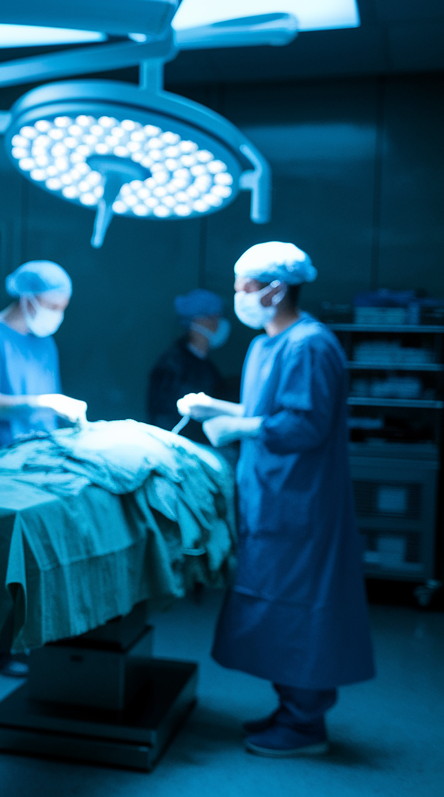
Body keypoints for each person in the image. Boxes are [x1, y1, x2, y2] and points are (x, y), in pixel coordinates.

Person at [178, 241, 375, 757]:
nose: (236, 296)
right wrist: (214, 407)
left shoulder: (310, 345)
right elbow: (266, 406)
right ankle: (291, 707)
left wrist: (236, 426)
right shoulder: (265, 343)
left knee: (299, 607)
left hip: (301, 504)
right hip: (267, 497)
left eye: (243, 287)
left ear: (274, 288)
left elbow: (305, 424)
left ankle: (305, 724)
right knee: (272, 606)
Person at [0, 260, 86, 462]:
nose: (58, 314)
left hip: (36, 461)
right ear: (27, 298)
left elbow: (46, 419)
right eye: (52, 306)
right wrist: (45, 403)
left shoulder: (45, 344)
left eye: (62, 307)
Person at [147, 288, 229, 445]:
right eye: (214, 318)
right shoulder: (172, 365)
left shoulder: (208, 368)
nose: (217, 323)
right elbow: (164, 417)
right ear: (198, 321)